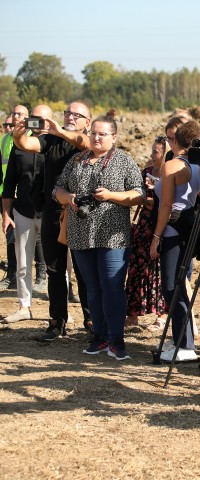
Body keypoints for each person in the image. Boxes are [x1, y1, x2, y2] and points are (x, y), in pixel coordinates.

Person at [53, 111, 144, 360]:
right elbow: (57, 189)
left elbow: (139, 194)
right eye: (93, 133)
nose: (96, 138)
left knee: (113, 288)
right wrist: (69, 198)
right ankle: (99, 336)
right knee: (92, 289)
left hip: (113, 236)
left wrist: (111, 196)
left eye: (102, 134)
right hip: (81, 234)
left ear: (113, 137)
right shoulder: (77, 160)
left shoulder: (124, 161)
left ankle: (117, 340)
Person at [13, 101, 94, 341]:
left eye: (75, 114)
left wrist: (60, 131)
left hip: (82, 214)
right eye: (67, 112)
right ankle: (57, 321)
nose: (69, 116)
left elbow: (84, 143)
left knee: (83, 270)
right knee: (55, 269)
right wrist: (19, 136)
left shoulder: (92, 142)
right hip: (53, 212)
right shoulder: (52, 140)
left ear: (86, 122)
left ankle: (91, 319)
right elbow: (28, 143)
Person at [150, 119, 200, 363]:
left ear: (175, 141)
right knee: (179, 285)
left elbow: (165, 205)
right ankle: (181, 339)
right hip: (190, 227)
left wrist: (156, 237)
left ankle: (185, 344)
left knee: (172, 287)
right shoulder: (199, 167)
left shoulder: (172, 165)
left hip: (173, 228)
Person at [0, 104, 50, 324]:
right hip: (23, 210)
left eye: (41, 119)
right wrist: (6, 213)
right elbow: (9, 182)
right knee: (22, 261)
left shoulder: (57, 145)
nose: (37, 123)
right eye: (34, 119)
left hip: (51, 212)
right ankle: (24, 306)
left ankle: (60, 311)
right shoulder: (18, 146)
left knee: (58, 264)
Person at [124, 136, 168, 330]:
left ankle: (162, 315)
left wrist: (151, 200)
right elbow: (139, 195)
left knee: (158, 271)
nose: (151, 156)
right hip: (143, 226)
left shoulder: (171, 174)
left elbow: (168, 202)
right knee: (136, 270)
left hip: (161, 225)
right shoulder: (147, 172)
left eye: (156, 152)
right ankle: (132, 314)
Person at [0, 105, 29, 289]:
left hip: (27, 195)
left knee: (36, 239)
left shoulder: (33, 138)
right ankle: (11, 274)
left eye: (19, 114)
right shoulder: (4, 140)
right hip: (6, 193)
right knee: (10, 234)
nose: (15, 117)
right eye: (13, 114)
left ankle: (41, 276)